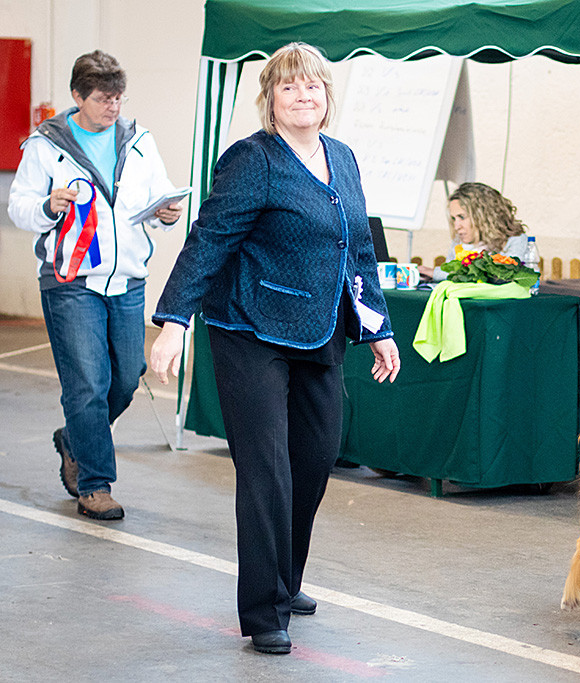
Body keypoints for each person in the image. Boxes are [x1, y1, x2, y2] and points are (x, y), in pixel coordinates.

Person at [148, 42, 400, 655]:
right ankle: (265, 609)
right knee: (266, 470)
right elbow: (209, 240)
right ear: (270, 99)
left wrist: (379, 328)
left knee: (314, 459)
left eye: (312, 85)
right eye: (288, 86)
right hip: (249, 329)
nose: (302, 95)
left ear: (327, 96)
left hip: (320, 332)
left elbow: (358, 252)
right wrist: (175, 321)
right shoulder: (252, 159)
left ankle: (286, 579)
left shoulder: (342, 157)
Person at [7, 50, 183, 521]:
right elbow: (18, 206)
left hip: (127, 279)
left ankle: (75, 438)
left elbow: (157, 195)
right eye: (104, 99)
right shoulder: (46, 145)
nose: (113, 107)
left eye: (119, 98)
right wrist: (47, 206)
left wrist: (166, 213)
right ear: (77, 96)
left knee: (125, 377)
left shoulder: (139, 140)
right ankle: (95, 485)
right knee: (88, 383)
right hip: (70, 280)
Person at [418, 181, 530, 281]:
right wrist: (432, 276)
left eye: (462, 217)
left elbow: (498, 275)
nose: (456, 226)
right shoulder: (458, 241)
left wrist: (437, 274)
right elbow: (450, 273)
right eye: (453, 219)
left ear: (483, 216)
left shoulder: (514, 240)